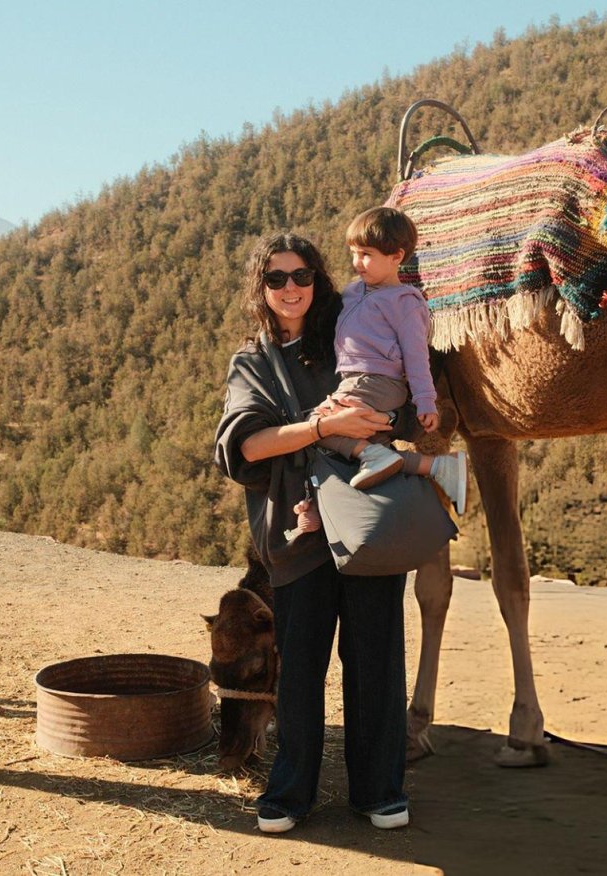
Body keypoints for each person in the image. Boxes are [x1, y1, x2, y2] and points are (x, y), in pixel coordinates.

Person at [213, 233, 415, 834]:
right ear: (261, 289)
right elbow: (246, 445)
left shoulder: (350, 337)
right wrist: (325, 423)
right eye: (276, 279)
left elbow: (392, 406)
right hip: (295, 539)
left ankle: (378, 790)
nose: (290, 288)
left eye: (301, 275)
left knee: (376, 662)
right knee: (299, 669)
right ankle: (291, 792)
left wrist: (364, 422)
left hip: (367, 525)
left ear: (318, 280)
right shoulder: (251, 362)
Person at [312, 207, 467, 500]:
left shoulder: (405, 303)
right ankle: (440, 468)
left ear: (396, 256)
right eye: (354, 253)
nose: (358, 262)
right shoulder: (353, 292)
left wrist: (425, 402)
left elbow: (417, 356)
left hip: (376, 382)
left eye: (366, 254)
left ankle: (373, 454)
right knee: (373, 446)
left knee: (317, 425)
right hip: (355, 381)